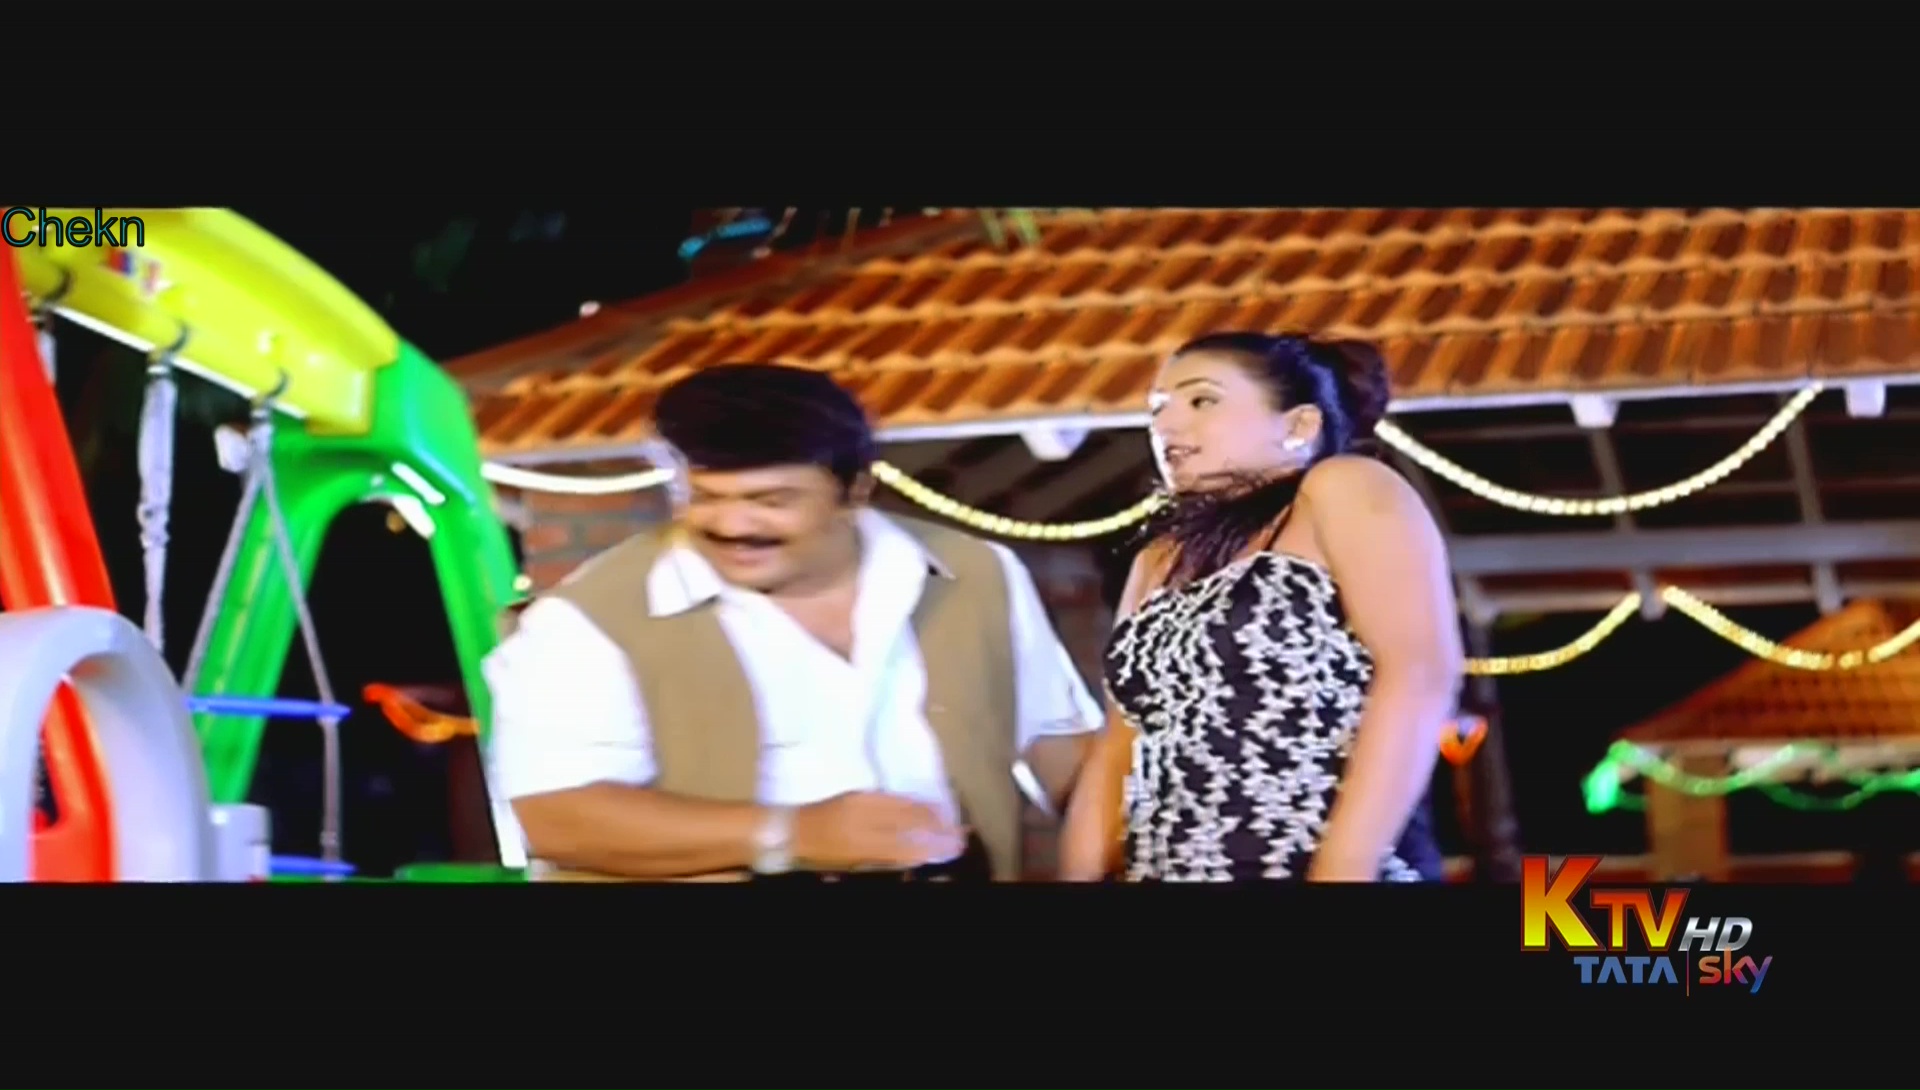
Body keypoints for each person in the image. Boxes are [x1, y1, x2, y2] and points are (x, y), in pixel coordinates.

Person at [487, 362, 1102, 882]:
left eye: (771, 501)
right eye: (706, 497)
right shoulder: (586, 619)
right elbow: (555, 817)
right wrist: (796, 833)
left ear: (854, 491)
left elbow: (1060, 751)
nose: (733, 525)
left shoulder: (976, 572)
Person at [1058, 331, 1463, 882]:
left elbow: (1418, 673)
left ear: (1298, 425)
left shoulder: (1341, 487)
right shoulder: (1158, 558)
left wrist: (1343, 867)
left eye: (1202, 400)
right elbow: (1119, 745)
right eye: (1157, 409)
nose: (1166, 425)